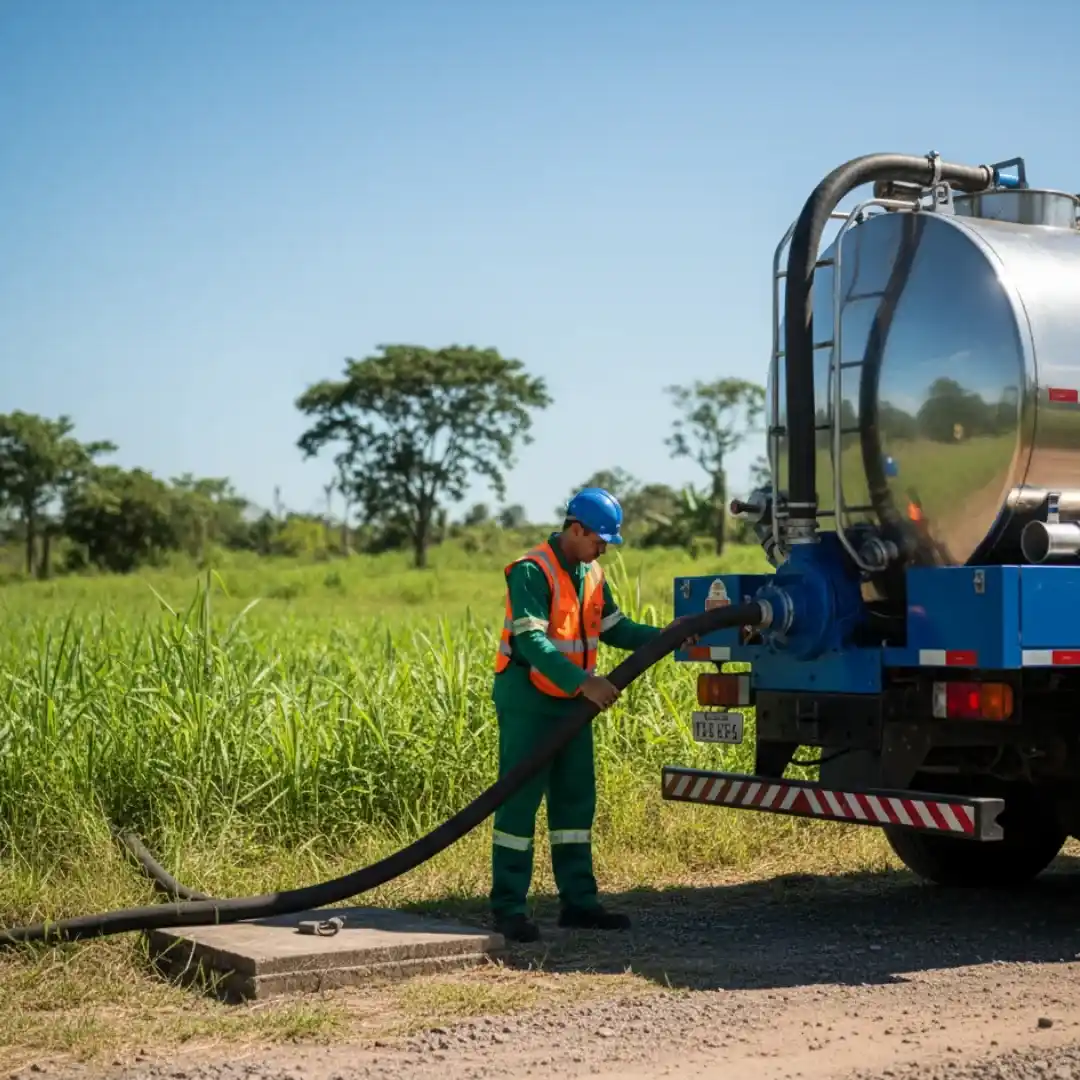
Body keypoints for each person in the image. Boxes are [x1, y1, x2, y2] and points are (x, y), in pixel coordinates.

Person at [490, 486, 699, 942]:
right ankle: (508, 907)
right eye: (598, 538)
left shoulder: (594, 574)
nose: (603, 547)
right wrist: (585, 682)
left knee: (575, 800)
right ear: (575, 528)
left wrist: (666, 636)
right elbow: (532, 643)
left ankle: (579, 904)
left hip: (571, 703)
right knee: (520, 802)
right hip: (528, 698)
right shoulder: (531, 571)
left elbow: (615, 628)